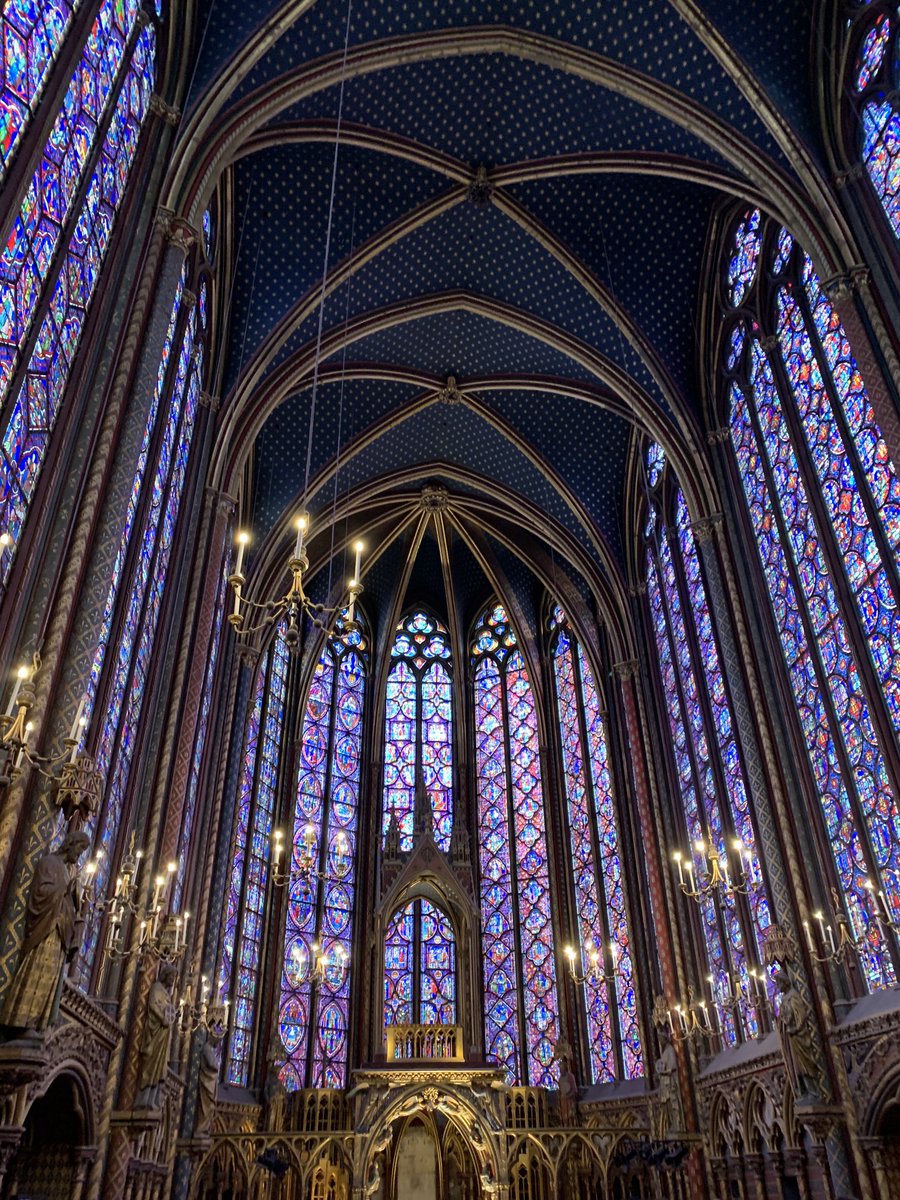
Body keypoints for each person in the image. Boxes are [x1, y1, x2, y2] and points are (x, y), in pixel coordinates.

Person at [1, 831, 91, 1034]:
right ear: (70, 844)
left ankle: (36, 1022)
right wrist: (67, 887)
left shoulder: (70, 871)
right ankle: (21, 1020)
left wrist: (76, 892)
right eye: (79, 848)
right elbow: (41, 893)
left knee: (49, 979)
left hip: (60, 931)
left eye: (83, 851)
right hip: (46, 929)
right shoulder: (50, 863)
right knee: (36, 970)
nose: (79, 854)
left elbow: (72, 903)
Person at [775, 971, 827, 1104]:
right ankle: (805, 1092)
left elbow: (801, 1016)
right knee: (797, 1067)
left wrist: (795, 1028)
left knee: (805, 1065)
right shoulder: (785, 998)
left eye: (779, 983)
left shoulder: (793, 997)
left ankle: (815, 1092)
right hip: (791, 1037)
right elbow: (785, 1017)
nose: (778, 987)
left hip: (799, 1035)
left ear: (785, 982)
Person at [135, 961, 177, 1109]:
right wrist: (163, 1018)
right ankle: (143, 1099)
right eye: (171, 975)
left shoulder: (166, 994)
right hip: (155, 1034)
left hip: (163, 1036)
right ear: (165, 975)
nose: (173, 979)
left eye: (174, 976)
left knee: (160, 1070)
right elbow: (152, 1005)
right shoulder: (156, 988)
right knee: (151, 1066)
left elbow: (169, 1012)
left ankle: (152, 1099)